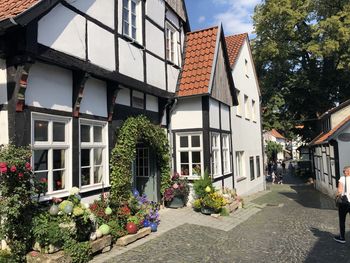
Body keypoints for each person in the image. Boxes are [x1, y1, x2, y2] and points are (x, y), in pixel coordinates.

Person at [334, 166, 350, 244]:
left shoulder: (342, 179)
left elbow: (339, 191)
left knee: (342, 220)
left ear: (346, 172)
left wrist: (336, 195)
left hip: (344, 203)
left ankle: (342, 237)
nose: (343, 172)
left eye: (344, 171)